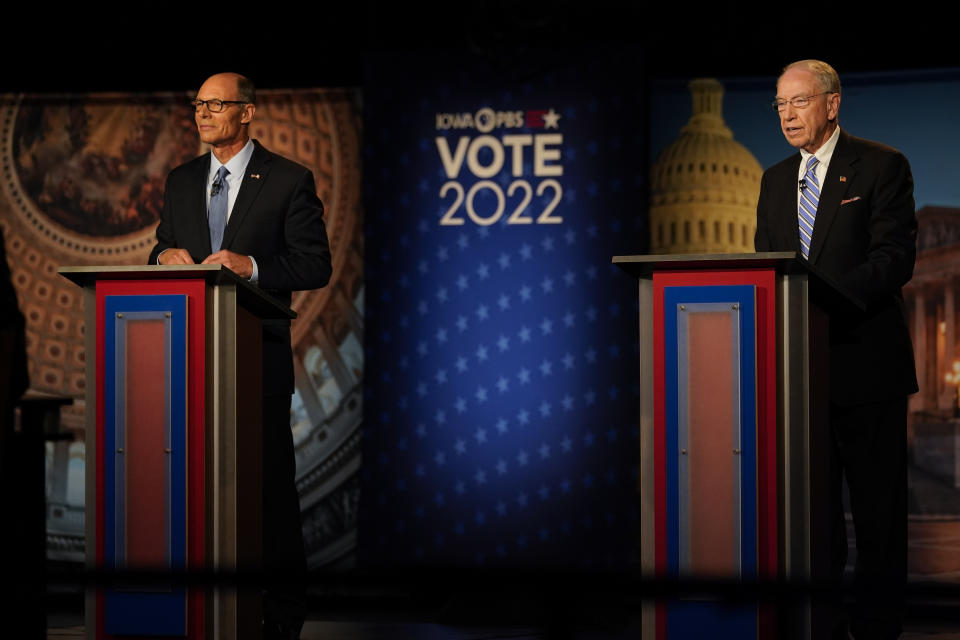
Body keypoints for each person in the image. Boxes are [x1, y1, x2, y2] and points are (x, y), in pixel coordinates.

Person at [148, 72, 332, 639]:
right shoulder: (181, 180)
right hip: (188, 362)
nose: (203, 115)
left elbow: (314, 265)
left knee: (268, 492)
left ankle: (281, 615)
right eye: (198, 105)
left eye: (216, 105)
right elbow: (160, 242)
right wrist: (163, 257)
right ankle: (202, 608)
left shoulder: (288, 179)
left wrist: (248, 266)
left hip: (254, 360)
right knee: (192, 492)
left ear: (247, 112)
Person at [755, 60, 917, 639]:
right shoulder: (774, 181)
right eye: (779, 105)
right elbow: (764, 271)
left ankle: (877, 625)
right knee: (812, 514)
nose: (787, 115)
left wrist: (826, 302)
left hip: (867, 366)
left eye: (798, 102)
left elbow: (893, 259)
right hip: (799, 375)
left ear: (832, 103)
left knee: (876, 513)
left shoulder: (880, 166)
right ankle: (817, 619)